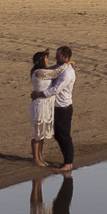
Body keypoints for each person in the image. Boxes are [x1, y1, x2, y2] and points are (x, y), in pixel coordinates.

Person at [27, 50, 60, 168]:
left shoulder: (42, 71)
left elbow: (53, 70)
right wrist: (67, 63)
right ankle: (35, 158)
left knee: (41, 133)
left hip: (46, 105)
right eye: (46, 59)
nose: (47, 61)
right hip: (40, 105)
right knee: (37, 133)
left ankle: (40, 156)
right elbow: (56, 72)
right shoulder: (38, 72)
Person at [47, 45, 78, 173]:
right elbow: (50, 70)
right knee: (58, 135)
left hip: (64, 108)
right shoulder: (62, 68)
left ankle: (68, 162)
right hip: (57, 107)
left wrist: (40, 94)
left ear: (65, 57)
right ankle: (67, 161)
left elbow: (56, 89)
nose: (55, 57)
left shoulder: (67, 72)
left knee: (64, 136)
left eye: (58, 55)